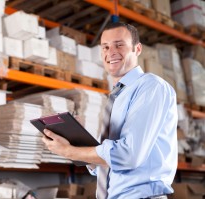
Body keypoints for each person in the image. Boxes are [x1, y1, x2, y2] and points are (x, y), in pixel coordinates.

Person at [42, 22, 178, 199]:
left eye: (119, 45)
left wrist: (69, 151)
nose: (111, 52)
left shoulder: (150, 87)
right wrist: (78, 143)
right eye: (105, 47)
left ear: (137, 49)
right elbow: (111, 166)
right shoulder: (118, 96)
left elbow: (129, 155)